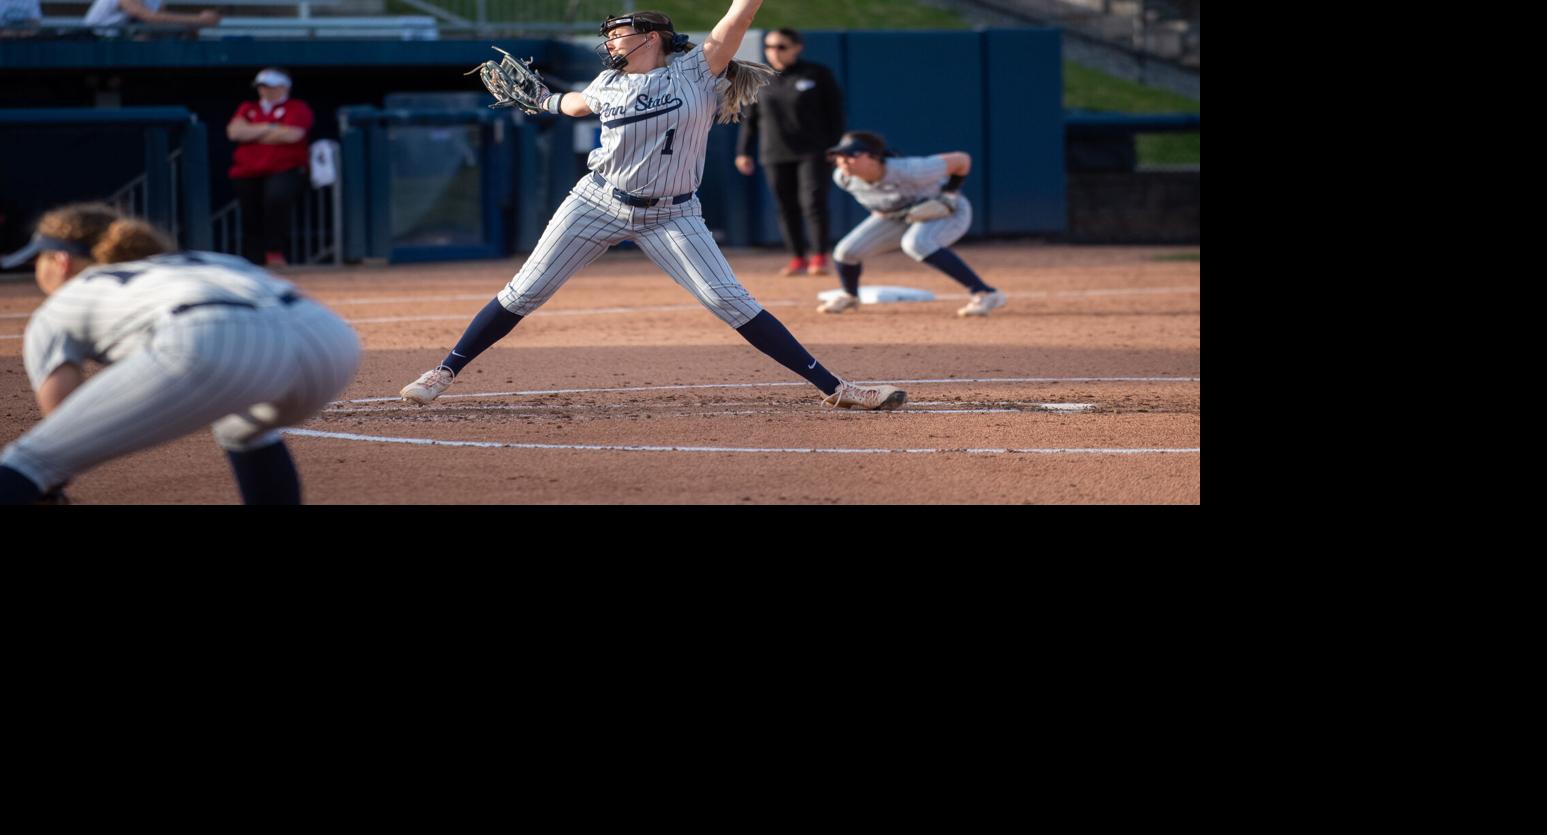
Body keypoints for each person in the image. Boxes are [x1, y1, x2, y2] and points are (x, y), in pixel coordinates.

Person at [399, 2, 906, 412]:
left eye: (618, 33)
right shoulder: (607, 84)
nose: (610, 41)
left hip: (674, 213)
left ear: (651, 36)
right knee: (525, 291)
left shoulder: (697, 68)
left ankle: (837, 389)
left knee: (729, 300)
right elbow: (576, 103)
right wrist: (546, 102)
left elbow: (740, 16)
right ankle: (443, 371)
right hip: (597, 200)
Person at [0, 203, 362, 506]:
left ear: (61, 261)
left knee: (30, 460)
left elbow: (63, 419)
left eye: (38, 260)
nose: (36, 270)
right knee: (244, 429)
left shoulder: (66, 300)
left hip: (211, 335)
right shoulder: (197, 259)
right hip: (329, 341)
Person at [818, 130, 1007, 318]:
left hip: (946, 211)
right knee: (846, 252)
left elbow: (961, 160)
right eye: (840, 156)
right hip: (899, 216)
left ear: (873, 157)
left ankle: (985, 293)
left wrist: (950, 193)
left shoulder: (911, 170)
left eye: (851, 156)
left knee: (917, 243)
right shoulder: (843, 178)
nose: (843, 161)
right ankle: (850, 295)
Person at [734, 27, 845, 277]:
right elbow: (750, 120)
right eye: (770, 47)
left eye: (781, 46)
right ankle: (797, 257)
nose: (774, 52)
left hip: (813, 150)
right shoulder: (759, 77)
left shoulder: (817, 74)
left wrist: (835, 147)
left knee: (813, 202)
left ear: (797, 47)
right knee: (786, 205)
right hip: (774, 152)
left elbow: (835, 114)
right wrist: (743, 152)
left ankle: (818, 256)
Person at [227, 69, 313, 267]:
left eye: (270, 86)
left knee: (276, 200)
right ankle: (254, 259)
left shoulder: (296, 107)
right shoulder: (247, 107)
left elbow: (293, 135)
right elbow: (234, 132)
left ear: (284, 87)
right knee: (250, 213)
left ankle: (275, 252)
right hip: (247, 171)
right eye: (261, 87)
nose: (264, 91)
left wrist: (253, 132)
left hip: (285, 168)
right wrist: (272, 127)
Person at [83, 0, 220, 34]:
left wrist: (192, 27)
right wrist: (199, 20)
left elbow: (162, 21)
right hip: (93, 42)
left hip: (123, 43)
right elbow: (148, 17)